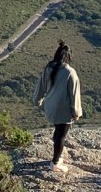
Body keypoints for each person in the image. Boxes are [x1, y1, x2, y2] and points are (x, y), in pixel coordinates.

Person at [34, 40, 82, 172]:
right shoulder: (70, 72)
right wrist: (76, 112)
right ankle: (55, 163)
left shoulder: (48, 69)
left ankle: (57, 156)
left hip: (50, 108)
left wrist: (37, 101)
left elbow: (40, 88)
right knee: (61, 135)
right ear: (68, 57)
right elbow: (74, 94)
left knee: (58, 130)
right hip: (63, 110)